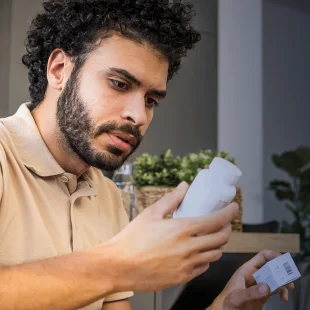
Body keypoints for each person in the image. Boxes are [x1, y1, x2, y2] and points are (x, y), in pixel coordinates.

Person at [0, 1, 293, 309]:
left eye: (151, 99)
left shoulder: (107, 196)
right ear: (59, 70)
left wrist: (223, 306)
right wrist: (119, 265)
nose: (139, 115)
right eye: (119, 84)